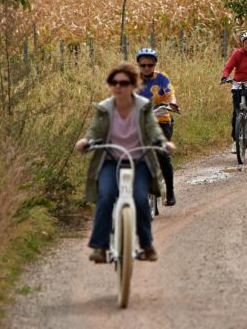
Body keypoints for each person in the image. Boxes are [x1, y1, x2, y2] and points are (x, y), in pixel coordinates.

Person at [74, 64, 175, 263]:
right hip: (111, 161)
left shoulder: (143, 107)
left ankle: (146, 245)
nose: (118, 86)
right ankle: (100, 247)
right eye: (114, 83)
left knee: (139, 199)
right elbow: (95, 130)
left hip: (139, 160)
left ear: (134, 85)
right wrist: (86, 141)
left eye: (124, 83)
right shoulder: (104, 108)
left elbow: (153, 129)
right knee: (105, 197)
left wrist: (163, 143)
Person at [135, 48, 179, 207]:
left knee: (162, 154)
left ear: (155, 64)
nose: (147, 68)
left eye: (150, 65)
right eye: (143, 65)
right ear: (139, 65)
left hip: (161, 120)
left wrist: (172, 103)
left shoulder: (161, 78)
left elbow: (169, 92)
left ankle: (170, 192)